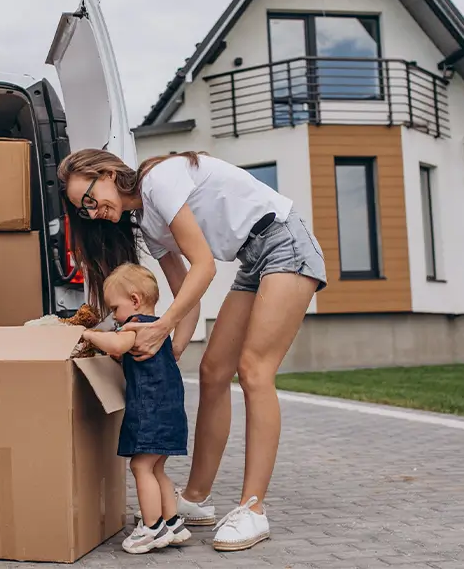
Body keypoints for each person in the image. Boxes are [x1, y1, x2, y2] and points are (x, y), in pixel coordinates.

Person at [58, 149, 326, 552]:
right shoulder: (147, 223)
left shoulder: (159, 180)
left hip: (284, 242)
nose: (93, 212)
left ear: (109, 173)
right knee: (213, 370)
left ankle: (252, 509)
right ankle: (197, 498)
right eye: (84, 210)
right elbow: (188, 293)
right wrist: (171, 348)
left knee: (254, 370)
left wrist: (162, 326)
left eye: (91, 199)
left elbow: (204, 267)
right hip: (252, 260)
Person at [81, 263, 190, 555]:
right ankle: (172, 523)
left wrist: (90, 336)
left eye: (114, 308)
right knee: (157, 468)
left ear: (134, 300)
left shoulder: (136, 326)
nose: (113, 317)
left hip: (150, 411)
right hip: (171, 411)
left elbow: (117, 345)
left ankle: (151, 528)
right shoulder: (158, 330)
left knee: (140, 466)